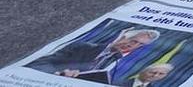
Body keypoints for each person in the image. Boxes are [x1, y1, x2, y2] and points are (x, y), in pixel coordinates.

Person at [28, 27, 160, 82]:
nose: (133, 45)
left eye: (139, 45)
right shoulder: (82, 47)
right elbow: (40, 63)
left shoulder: (116, 62)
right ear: (122, 36)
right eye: (133, 40)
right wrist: (57, 73)